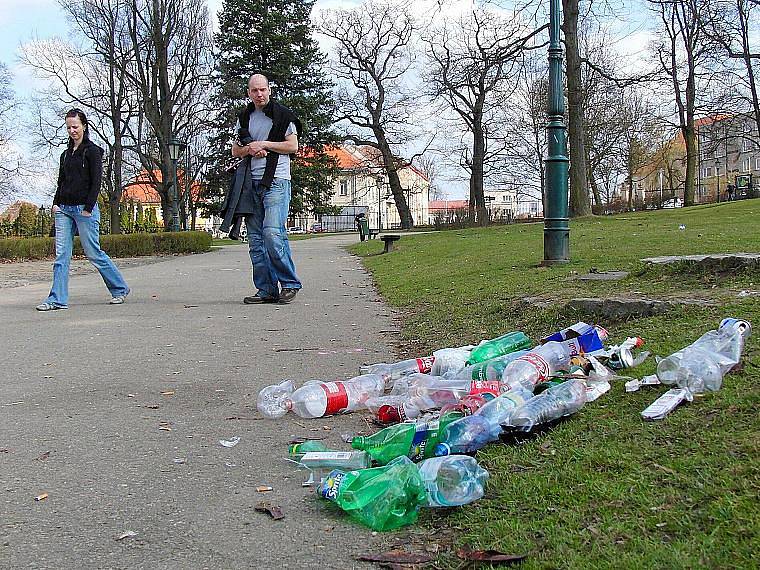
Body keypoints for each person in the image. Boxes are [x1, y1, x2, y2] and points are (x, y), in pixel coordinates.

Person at [36, 109, 130, 311]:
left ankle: (119, 288)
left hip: (84, 209)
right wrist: (55, 203)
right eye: (69, 127)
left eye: (75, 126)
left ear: (84, 126)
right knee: (61, 256)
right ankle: (57, 299)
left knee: (93, 253)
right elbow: (61, 182)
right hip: (63, 210)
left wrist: (88, 207)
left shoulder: (93, 151)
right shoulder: (65, 155)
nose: (72, 131)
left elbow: (96, 182)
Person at [225, 73, 303, 305]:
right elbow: (235, 151)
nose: (259, 94)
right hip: (251, 183)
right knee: (256, 241)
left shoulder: (283, 116)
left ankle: (289, 284)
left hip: (277, 181)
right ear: (248, 93)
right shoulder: (245, 117)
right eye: (254, 90)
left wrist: (265, 144)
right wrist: (250, 149)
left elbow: (292, 146)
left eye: (262, 90)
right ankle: (266, 289)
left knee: (272, 232)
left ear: (269, 90)